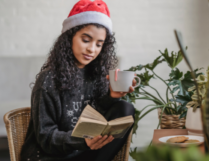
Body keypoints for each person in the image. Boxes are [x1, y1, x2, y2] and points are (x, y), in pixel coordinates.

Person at [20, 0, 136, 160]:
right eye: (86, 40)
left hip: (82, 153)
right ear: (69, 38)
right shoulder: (48, 80)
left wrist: (112, 96)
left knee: (125, 110)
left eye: (99, 44)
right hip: (49, 156)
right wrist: (82, 141)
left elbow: (95, 113)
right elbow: (46, 137)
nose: (92, 49)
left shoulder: (96, 74)